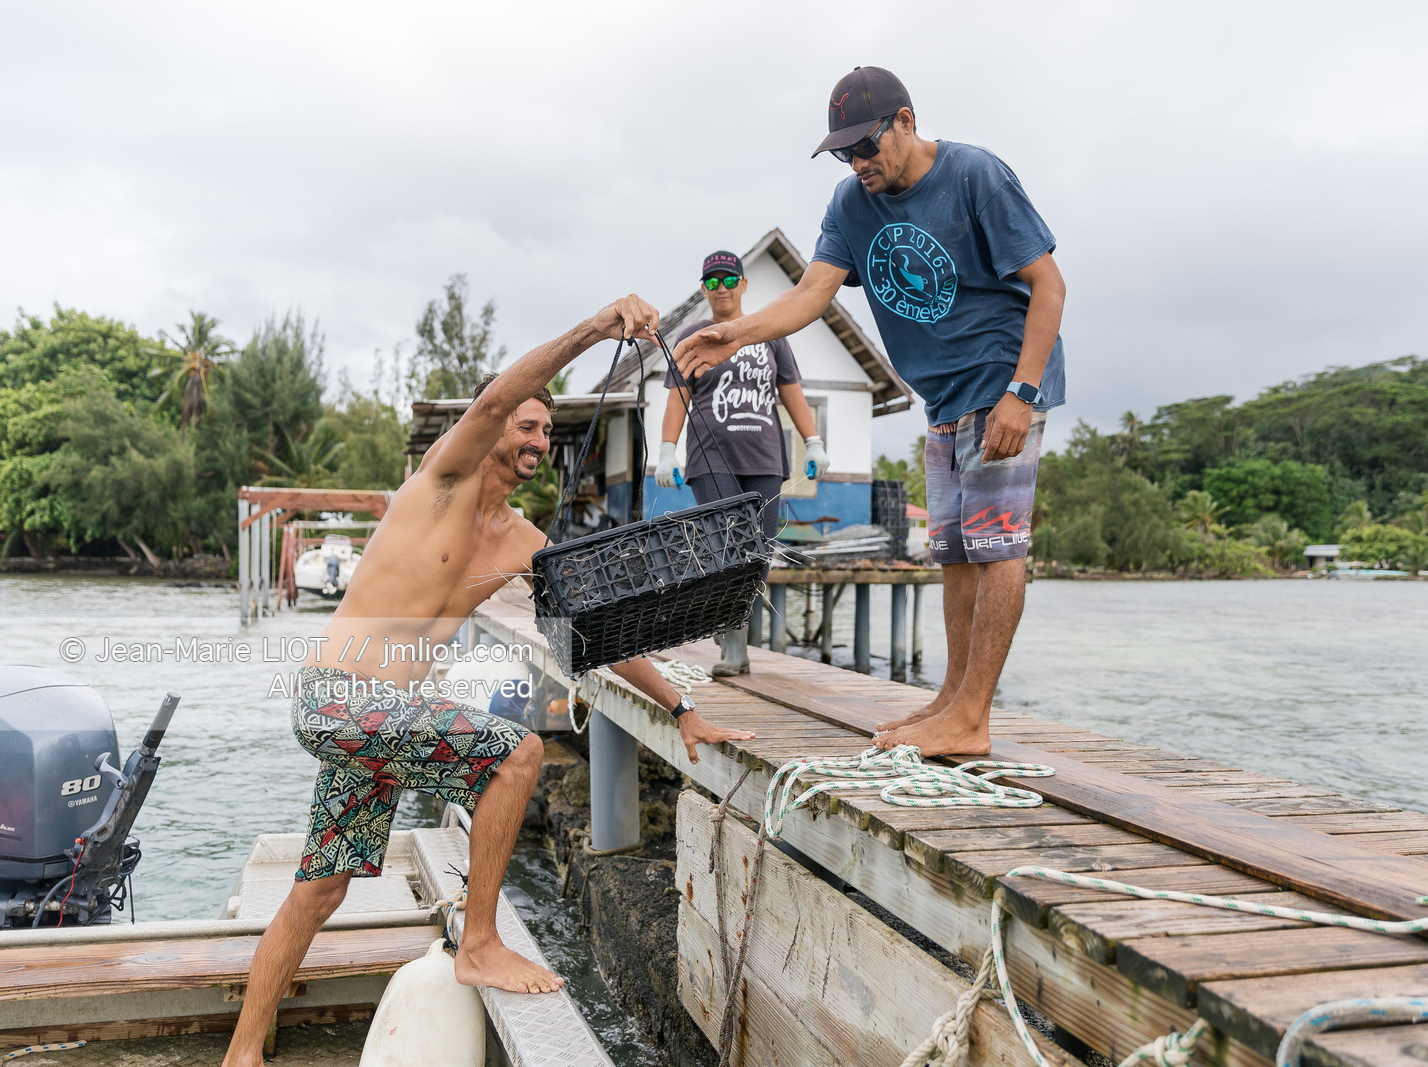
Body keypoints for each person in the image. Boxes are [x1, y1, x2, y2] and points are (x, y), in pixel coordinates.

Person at [222, 295, 755, 1067]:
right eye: (526, 424)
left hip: (386, 719)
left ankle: (242, 1053)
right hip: (338, 692)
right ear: (492, 427)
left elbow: (591, 634)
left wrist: (683, 706)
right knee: (516, 753)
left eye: (546, 429)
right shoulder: (441, 484)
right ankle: (478, 942)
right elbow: (502, 392)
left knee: (320, 888)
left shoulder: (524, 542)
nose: (537, 436)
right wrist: (596, 328)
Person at [672, 67, 1066, 757]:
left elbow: (1049, 285)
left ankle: (973, 717)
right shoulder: (850, 205)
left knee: (997, 545)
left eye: (867, 146)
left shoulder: (975, 175)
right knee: (952, 553)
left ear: (906, 122)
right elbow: (809, 296)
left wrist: (1022, 393)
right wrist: (733, 332)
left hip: (1002, 382)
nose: (859, 163)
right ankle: (950, 698)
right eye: (846, 153)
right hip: (942, 399)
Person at [656, 249, 829, 676]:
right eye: (712, 281)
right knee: (725, 546)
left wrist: (814, 441)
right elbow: (679, 395)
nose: (722, 288)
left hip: (765, 456)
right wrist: (665, 450)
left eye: (729, 279)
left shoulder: (769, 334)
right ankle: (735, 647)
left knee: (760, 552)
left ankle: (728, 620)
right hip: (710, 454)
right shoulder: (692, 336)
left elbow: (790, 390)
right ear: (703, 289)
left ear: (743, 285)